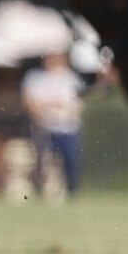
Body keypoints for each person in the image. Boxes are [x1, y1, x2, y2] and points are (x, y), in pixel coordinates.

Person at [21, 51, 85, 196]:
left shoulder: (71, 79)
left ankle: (72, 191)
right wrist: (45, 116)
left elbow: (77, 104)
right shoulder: (36, 78)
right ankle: (39, 191)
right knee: (42, 162)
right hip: (45, 127)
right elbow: (31, 101)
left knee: (70, 160)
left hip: (67, 128)